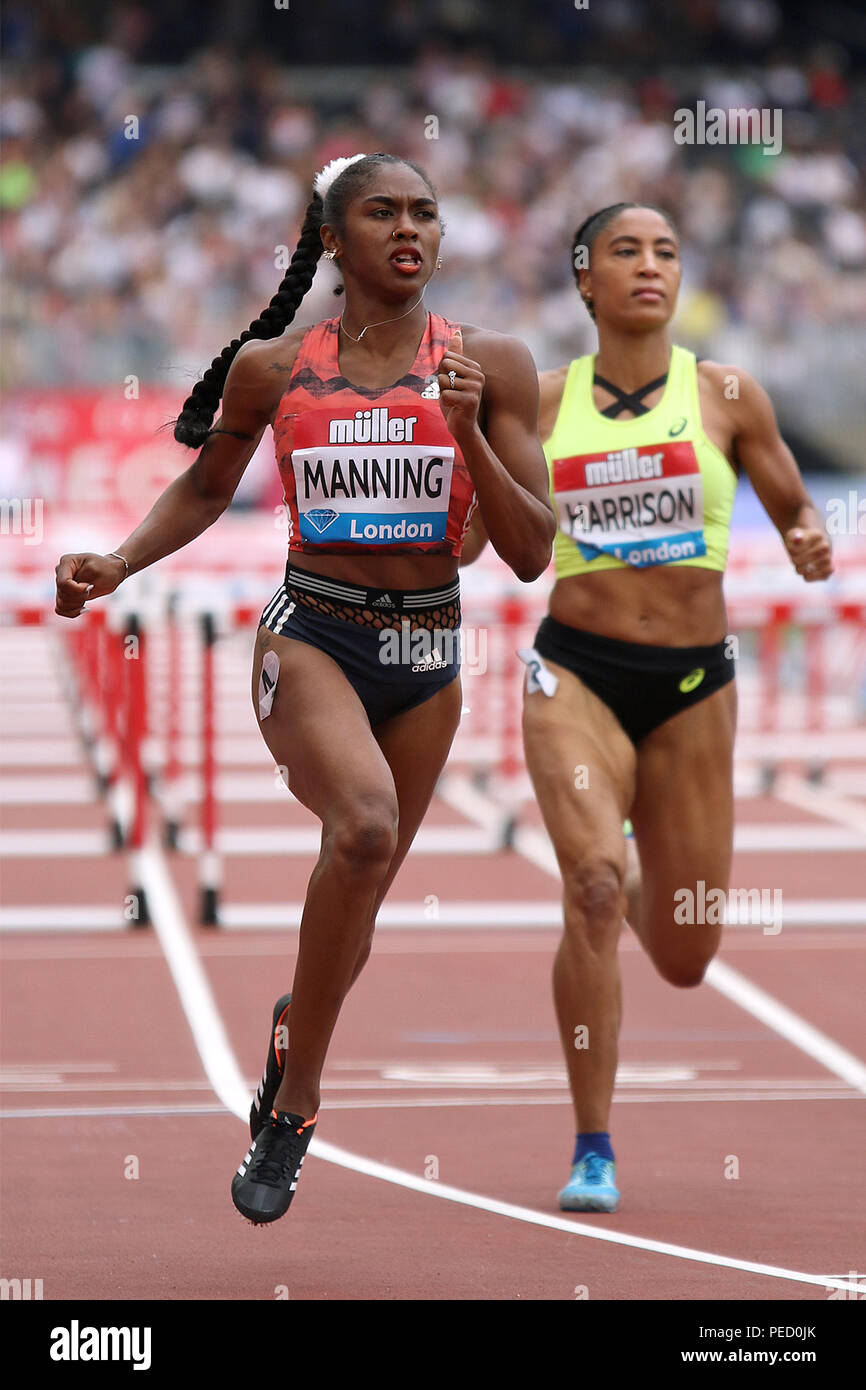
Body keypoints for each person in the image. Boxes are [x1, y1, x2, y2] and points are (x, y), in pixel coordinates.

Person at [54, 152, 555, 1225]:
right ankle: (297, 1104)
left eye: (425, 210)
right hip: (312, 636)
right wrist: (117, 564)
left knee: (355, 916)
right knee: (365, 830)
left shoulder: (494, 364)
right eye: (382, 211)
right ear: (333, 238)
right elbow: (202, 487)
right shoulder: (273, 368)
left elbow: (528, 553)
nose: (409, 228)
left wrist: (468, 432)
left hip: (428, 658)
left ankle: (298, 1026)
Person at [461, 202, 833, 1213]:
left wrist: (805, 537)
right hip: (573, 671)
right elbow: (472, 546)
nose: (648, 266)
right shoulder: (536, 402)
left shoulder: (724, 395)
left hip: (689, 690)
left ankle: (625, 864)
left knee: (683, 951)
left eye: (665, 251)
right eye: (624, 251)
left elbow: (795, 504)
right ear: (584, 279)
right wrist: (466, 442)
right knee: (587, 885)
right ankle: (592, 1144)